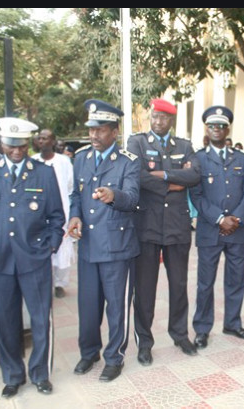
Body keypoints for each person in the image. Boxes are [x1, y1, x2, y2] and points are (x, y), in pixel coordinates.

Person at [0, 117, 64, 398]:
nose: (16, 152)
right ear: (1, 143)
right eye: (11, 146)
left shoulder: (43, 173)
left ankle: (40, 373)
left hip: (34, 260)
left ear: (29, 144)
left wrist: (49, 246)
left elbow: (56, 217)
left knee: (40, 319)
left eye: (22, 146)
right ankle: (13, 375)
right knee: (4, 320)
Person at [67, 100, 140, 382]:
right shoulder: (82, 158)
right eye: (92, 130)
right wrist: (75, 217)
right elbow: (76, 196)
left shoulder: (128, 162)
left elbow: (133, 199)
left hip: (116, 247)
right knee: (88, 305)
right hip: (87, 245)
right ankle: (89, 353)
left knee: (116, 306)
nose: (95, 136)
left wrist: (114, 195)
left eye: (101, 130)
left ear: (115, 131)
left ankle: (114, 356)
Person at [127, 98, 201, 366]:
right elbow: (136, 176)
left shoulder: (184, 145)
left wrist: (164, 176)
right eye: (155, 117)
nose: (159, 122)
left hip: (177, 227)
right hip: (146, 226)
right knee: (144, 289)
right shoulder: (136, 143)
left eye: (164, 118)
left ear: (172, 120)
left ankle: (180, 335)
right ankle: (144, 343)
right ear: (151, 117)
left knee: (179, 286)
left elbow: (194, 176)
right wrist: (173, 182)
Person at [190, 105, 244, 348]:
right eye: (212, 126)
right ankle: (202, 328)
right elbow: (196, 195)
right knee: (205, 283)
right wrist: (220, 219)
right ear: (207, 129)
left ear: (228, 129)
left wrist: (235, 218)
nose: (216, 129)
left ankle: (233, 323)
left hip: (237, 231)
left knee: (236, 279)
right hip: (210, 230)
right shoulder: (198, 159)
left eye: (221, 126)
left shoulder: (241, 158)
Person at [32, 129, 75, 299]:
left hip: (60, 211)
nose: (42, 141)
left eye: (46, 138)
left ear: (53, 141)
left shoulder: (64, 162)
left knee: (62, 250)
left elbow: (70, 186)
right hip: (38, 213)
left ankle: (59, 284)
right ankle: (43, 284)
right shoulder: (33, 161)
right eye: (40, 138)